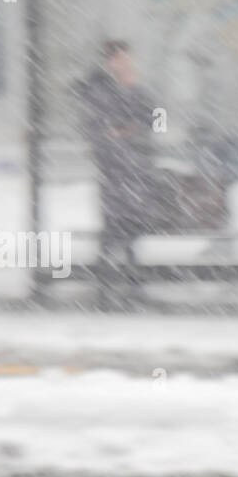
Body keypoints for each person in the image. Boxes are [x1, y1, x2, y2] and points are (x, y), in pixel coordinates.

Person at [74, 40, 163, 310]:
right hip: (115, 171)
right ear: (110, 62)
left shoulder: (137, 89)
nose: (126, 64)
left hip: (135, 170)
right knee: (114, 229)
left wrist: (136, 94)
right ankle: (108, 287)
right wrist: (126, 131)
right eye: (121, 59)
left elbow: (157, 121)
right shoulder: (101, 91)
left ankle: (132, 284)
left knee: (132, 229)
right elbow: (103, 129)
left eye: (128, 59)